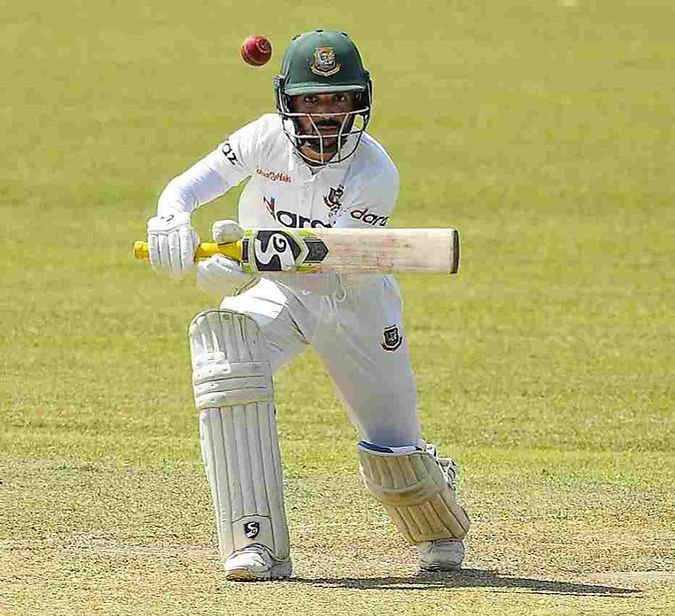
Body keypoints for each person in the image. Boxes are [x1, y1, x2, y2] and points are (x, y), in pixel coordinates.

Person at [145, 29, 469, 581]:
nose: (324, 114)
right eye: (311, 100)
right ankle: (255, 542)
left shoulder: (374, 171)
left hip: (357, 306)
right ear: (287, 101)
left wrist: (245, 261)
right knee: (226, 352)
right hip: (282, 295)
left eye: (338, 99)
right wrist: (171, 222)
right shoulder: (263, 138)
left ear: (358, 102)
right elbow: (186, 188)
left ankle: (436, 510)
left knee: (395, 453)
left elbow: (331, 262)